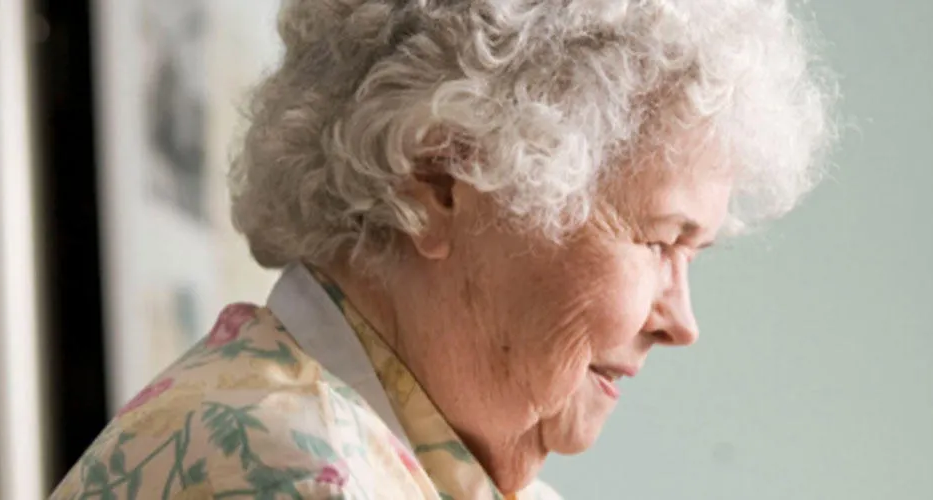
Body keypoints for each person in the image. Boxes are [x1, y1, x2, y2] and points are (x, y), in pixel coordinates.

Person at [50, 0, 833, 498]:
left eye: (694, 255)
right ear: (442, 179)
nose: (682, 320)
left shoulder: (413, 461)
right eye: (660, 239)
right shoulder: (293, 472)